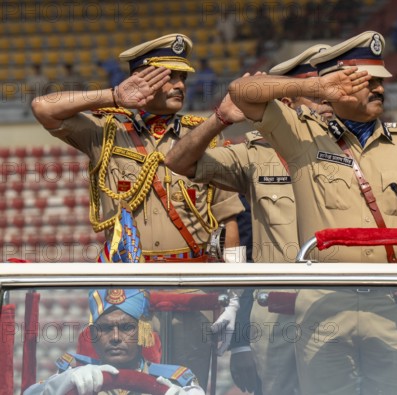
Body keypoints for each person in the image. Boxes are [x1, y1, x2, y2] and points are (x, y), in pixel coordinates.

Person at [228, 31, 397, 395]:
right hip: (323, 302)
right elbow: (242, 93)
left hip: (392, 302)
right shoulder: (300, 136)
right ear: (341, 84)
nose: (380, 89)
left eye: (381, 82)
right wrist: (321, 88)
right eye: (368, 82)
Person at [31, 33, 245, 386]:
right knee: (127, 387)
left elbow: (228, 221)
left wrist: (234, 293)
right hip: (127, 298)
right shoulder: (106, 132)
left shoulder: (204, 136)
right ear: (144, 79)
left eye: (183, 78)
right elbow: (43, 107)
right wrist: (113, 95)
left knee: (187, 386)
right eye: (170, 77)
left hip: (190, 292)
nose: (180, 85)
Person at [165, 44, 333, 395]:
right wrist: (241, 338)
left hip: (340, 306)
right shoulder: (255, 157)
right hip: (276, 315)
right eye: (317, 97)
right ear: (287, 102)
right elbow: (243, 253)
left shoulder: (353, 151)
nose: (327, 105)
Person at [24, 288, 205, 395]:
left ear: (143, 332)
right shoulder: (74, 372)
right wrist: (62, 383)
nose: (116, 337)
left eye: (126, 328)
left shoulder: (174, 380)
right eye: (105, 329)